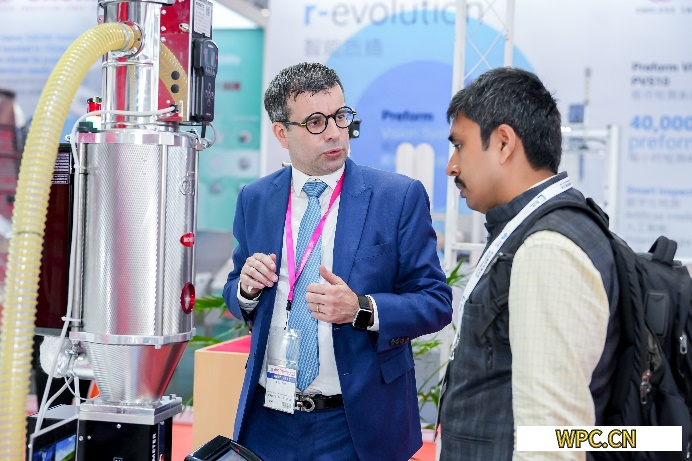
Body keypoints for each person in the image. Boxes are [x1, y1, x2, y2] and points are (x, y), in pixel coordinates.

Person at [222, 62, 453, 461]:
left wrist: (361, 309)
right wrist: (245, 289)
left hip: (356, 423)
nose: (334, 132)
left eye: (340, 116)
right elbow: (234, 290)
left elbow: (436, 301)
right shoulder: (256, 199)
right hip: (269, 419)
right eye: (315, 122)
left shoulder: (396, 197)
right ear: (281, 133)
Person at [438, 67, 620, 460]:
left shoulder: (547, 249)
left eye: (460, 146)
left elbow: (552, 441)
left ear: (503, 143)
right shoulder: (539, 229)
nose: (451, 166)